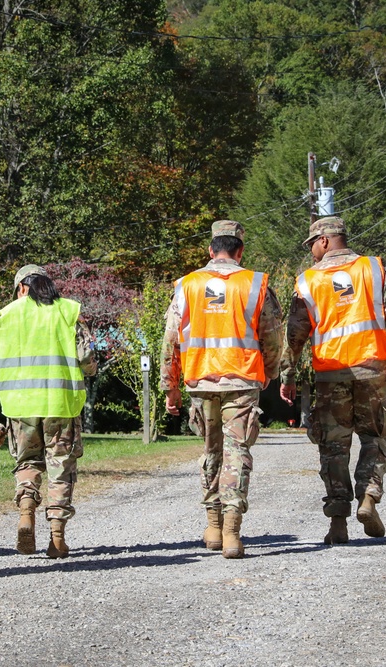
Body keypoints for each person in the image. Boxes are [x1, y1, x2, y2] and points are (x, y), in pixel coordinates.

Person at [279, 216, 386, 545]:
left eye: (312, 243)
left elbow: (294, 335)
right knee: (375, 437)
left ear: (325, 240)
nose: (311, 250)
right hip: (373, 369)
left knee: (333, 446)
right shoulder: (374, 269)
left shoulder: (308, 281)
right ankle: (368, 498)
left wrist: (288, 375)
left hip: (330, 374)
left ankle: (338, 522)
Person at [160, 220, 282, 559]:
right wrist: (270, 370)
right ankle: (232, 533)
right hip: (242, 380)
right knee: (237, 452)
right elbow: (273, 335)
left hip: (200, 381)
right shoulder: (255, 283)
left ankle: (213, 527)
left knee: (211, 451)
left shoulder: (187, 285)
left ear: (211, 250)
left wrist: (170, 387)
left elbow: (171, 341)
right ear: (240, 251)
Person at [0, 265, 97, 559]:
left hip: (20, 405)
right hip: (60, 404)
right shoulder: (68, 311)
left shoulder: (8, 315)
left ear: (22, 288)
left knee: (27, 462)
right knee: (61, 467)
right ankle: (57, 538)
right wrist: (90, 370)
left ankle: (27, 510)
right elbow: (87, 356)